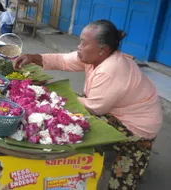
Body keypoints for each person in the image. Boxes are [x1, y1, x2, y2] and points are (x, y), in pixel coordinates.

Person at [13, 20, 162, 190]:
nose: (78, 47)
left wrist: (54, 99)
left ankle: (132, 161)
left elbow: (95, 108)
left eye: (83, 43)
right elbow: (63, 60)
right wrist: (33, 57)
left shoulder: (111, 69)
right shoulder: (95, 57)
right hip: (113, 107)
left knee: (122, 175)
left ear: (102, 49)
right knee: (62, 106)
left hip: (137, 126)